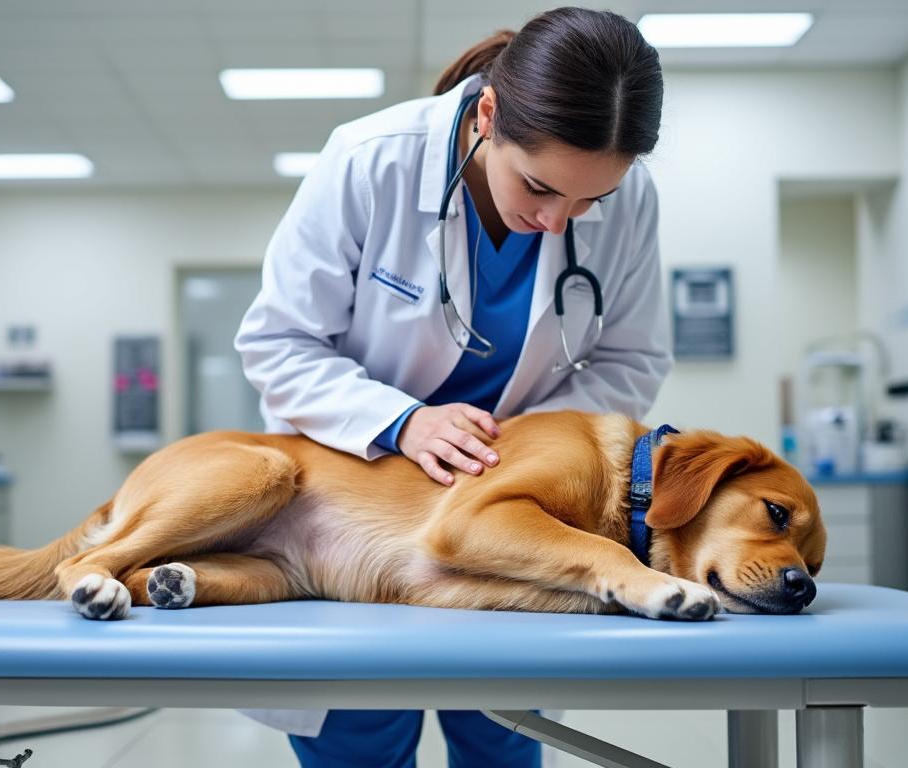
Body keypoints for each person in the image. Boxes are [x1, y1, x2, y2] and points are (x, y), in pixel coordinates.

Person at [234, 7, 671, 766]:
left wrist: (529, 449)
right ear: (489, 113)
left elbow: (632, 359)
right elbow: (279, 343)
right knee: (359, 731)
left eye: (587, 202)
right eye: (538, 187)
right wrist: (405, 422)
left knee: (505, 732)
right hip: (360, 510)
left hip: (512, 514)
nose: (557, 222)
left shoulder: (629, 199)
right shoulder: (371, 161)